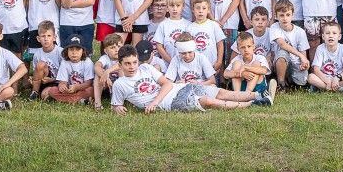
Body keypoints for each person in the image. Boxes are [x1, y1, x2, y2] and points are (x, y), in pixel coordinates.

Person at [111, 44, 274, 114]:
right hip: (171, 103)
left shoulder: (145, 68)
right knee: (208, 101)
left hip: (179, 88)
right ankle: (254, 103)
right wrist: (117, 108)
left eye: (134, 62)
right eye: (127, 64)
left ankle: (260, 95)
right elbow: (116, 105)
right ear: (120, 64)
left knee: (221, 92)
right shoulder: (120, 84)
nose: (132, 66)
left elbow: (167, 84)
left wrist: (154, 102)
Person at [41, 35, 95, 104]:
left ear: (83, 51)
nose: (74, 52)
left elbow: (89, 83)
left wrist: (77, 87)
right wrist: (62, 86)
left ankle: (66, 99)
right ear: (67, 51)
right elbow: (63, 81)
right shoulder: (65, 62)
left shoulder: (87, 62)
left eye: (78, 49)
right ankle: (81, 100)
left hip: (83, 88)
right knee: (52, 90)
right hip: (69, 90)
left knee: (91, 90)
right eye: (71, 49)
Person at [269, 0, 311, 89]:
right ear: (276, 16)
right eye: (281, 15)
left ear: (292, 15)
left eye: (288, 15)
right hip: (281, 63)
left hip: (296, 63)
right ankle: (281, 84)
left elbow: (303, 52)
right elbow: (282, 44)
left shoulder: (300, 31)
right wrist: (300, 55)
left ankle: (290, 82)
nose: (285, 18)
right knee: (282, 53)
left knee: (302, 84)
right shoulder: (274, 27)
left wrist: (303, 62)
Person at [309, 20, 343, 92]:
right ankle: (338, 89)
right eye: (327, 33)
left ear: (339, 36)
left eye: (334, 33)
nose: (331, 35)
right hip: (324, 79)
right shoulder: (320, 48)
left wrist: (337, 78)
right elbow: (316, 69)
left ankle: (326, 88)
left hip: (339, 79)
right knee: (310, 77)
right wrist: (327, 81)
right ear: (323, 36)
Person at [28, 21, 62, 99]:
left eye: (49, 36)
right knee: (40, 65)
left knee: (45, 95)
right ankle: (35, 92)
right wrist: (33, 80)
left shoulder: (60, 53)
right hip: (43, 82)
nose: (46, 39)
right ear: (38, 39)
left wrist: (52, 80)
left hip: (57, 82)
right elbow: (36, 72)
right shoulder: (37, 54)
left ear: (54, 38)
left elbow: (65, 74)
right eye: (43, 36)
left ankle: (49, 93)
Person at [93, 33, 124, 110]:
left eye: (119, 46)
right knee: (98, 75)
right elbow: (96, 66)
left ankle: (118, 102)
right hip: (107, 85)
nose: (117, 50)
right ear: (106, 51)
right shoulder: (105, 58)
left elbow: (120, 66)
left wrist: (107, 72)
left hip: (123, 86)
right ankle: (97, 103)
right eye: (112, 47)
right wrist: (105, 77)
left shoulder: (124, 57)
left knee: (121, 70)